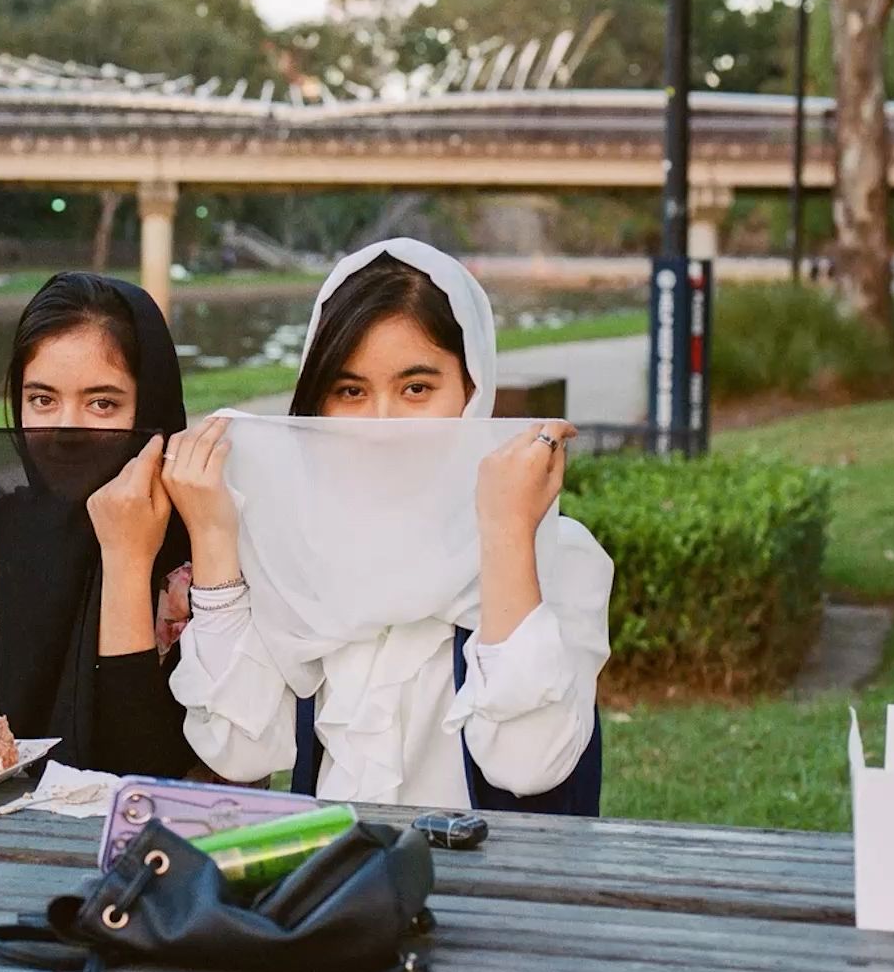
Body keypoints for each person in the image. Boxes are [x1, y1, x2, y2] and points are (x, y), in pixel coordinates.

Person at [163, 238, 612, 811]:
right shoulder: (298, 555)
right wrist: (215, 538)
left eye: (416, 389)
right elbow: (240, 754)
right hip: (331, 891)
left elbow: (527, 764)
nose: (382, 425)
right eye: (350, 391)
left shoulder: (558, 554)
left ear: (472, 392)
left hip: (497, 898)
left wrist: (504, 538)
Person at [0, 272, 198, 775]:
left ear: (151, 406)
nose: (67, 432)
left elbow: (143, 767)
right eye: (42, 399)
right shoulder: (2, 519)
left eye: (102, 403)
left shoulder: (193, 548)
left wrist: (127, 562)